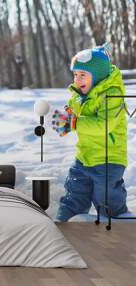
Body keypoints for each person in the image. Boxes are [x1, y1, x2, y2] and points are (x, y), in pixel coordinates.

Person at [52, 43, 128, 222]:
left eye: (83, 75)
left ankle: (119, 230)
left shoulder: (112, 95)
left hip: (109, 160)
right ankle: (62, 228)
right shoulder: (78, 96)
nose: (77, 80)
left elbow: (104, 126)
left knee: (107, 201)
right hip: (84, 158)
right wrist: (65, 122)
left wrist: (76, 122)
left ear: (98, 76)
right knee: (73, 196)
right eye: (75, 74)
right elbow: (71, 117)